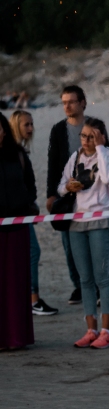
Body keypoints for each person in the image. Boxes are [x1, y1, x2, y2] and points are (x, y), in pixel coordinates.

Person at [58, 117, 109, 349]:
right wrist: (67, 187)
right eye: (83, 136)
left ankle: (107, 331)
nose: (86, 140)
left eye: (91, 136)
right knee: (85, 279)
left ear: (100, 137)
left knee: (102, 277)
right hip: (77, 221)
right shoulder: (75, 157)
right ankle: (90, 329)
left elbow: (108, 177)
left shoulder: (107, 154)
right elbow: (61, 185)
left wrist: (101, 148)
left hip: (100, 221)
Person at [10, 110, 57, 315]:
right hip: (16, 212)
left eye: (31, 124)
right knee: (32, 252)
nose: (30, 128)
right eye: (25, 125)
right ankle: (33, 299)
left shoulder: (19, 151)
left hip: (23, 210)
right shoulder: (13, 153)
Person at [46, 85, 89, 305]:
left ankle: (93, 286)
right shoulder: (58, 130)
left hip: (91, 192)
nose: (67, 106)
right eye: (64, 102)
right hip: (65, 192)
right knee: (68, 242)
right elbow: (52, 164)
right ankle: (78, 286)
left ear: (82, 102)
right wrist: (50, 194)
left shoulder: (94, 126)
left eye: (71, 101)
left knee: (91, 239)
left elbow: (107, 155)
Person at [0, 113, 37, 350]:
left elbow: (30, 185)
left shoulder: (18, 155)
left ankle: (16, 337)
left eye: (0, 128)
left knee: (16, 284)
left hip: (17, 228)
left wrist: (24, 206)